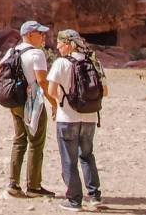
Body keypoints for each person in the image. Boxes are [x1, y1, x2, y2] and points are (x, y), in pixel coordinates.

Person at [47, 30, 106, 211]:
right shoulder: (95, 62)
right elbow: (105, 91)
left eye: (60, 43)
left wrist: (62, 102)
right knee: (87, 156)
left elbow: (50, 90)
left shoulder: (61, 63)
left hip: (67, 118)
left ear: (70, 44)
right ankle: (94, 196)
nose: (57, 47)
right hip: (90, 117)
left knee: (69, 160)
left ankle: (74, 200)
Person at [0, 20, 55, 199]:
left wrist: (14, 87)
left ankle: (13, 183)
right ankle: (34, 186)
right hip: (32, 103)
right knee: (36, 142)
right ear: (30, 35)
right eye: (40, 33)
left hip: (15, 102)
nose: (44, 36)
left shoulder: (12, 51)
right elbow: (43, 81)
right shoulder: (37, 54)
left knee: (19, 140)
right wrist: (54, 102)